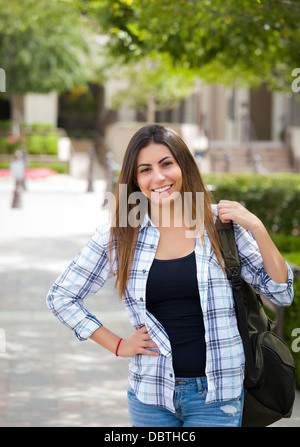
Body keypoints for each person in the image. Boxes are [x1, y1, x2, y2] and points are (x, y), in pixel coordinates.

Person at [46, 124, 294, 427]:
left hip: (217, 397)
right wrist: (118, 344)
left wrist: (257, 227)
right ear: (135, 180)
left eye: (166, 164)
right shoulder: (121, 235)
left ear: (183, 166)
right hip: (150, 395)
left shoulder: (221, 226)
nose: (158, 177)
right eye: (145, 169)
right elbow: (62, 297)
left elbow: (281, 292)